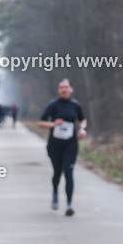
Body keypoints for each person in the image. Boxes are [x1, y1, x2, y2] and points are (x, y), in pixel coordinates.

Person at [37, 79, 87, 216]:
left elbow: (83, 119)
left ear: (71, 89)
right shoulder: (53, 105)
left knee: (69, 172)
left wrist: (82, 129)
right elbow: (41, 122)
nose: (63, 90)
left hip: (70, 144)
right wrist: (53, 124)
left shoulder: (76, 105)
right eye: (61, 87)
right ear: (59, 90)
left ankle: (69, 205)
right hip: (55, 144)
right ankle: (54, 193)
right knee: (57, 173)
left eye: (66, 87)